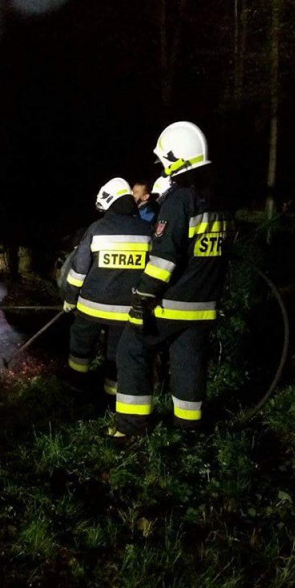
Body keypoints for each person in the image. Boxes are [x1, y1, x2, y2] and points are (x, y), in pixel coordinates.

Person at [111, 121, 233, 439]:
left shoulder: (179, 201)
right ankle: (189, 427)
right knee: (188, 360)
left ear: (176, 159)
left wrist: (142, 297)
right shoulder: (217, 200)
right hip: (203, 306)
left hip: (172, 303)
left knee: (132, 347)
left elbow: (164, 261)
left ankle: (131, 428)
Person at [63, 178, 152, 397]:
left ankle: (76, 386)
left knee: (80, 346)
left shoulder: (97, 229)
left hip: (91, 307)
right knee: (116, 352)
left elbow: (79, 270)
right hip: (127, 310)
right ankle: (111, 395)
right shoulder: (146, 230)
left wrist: (70, 298)